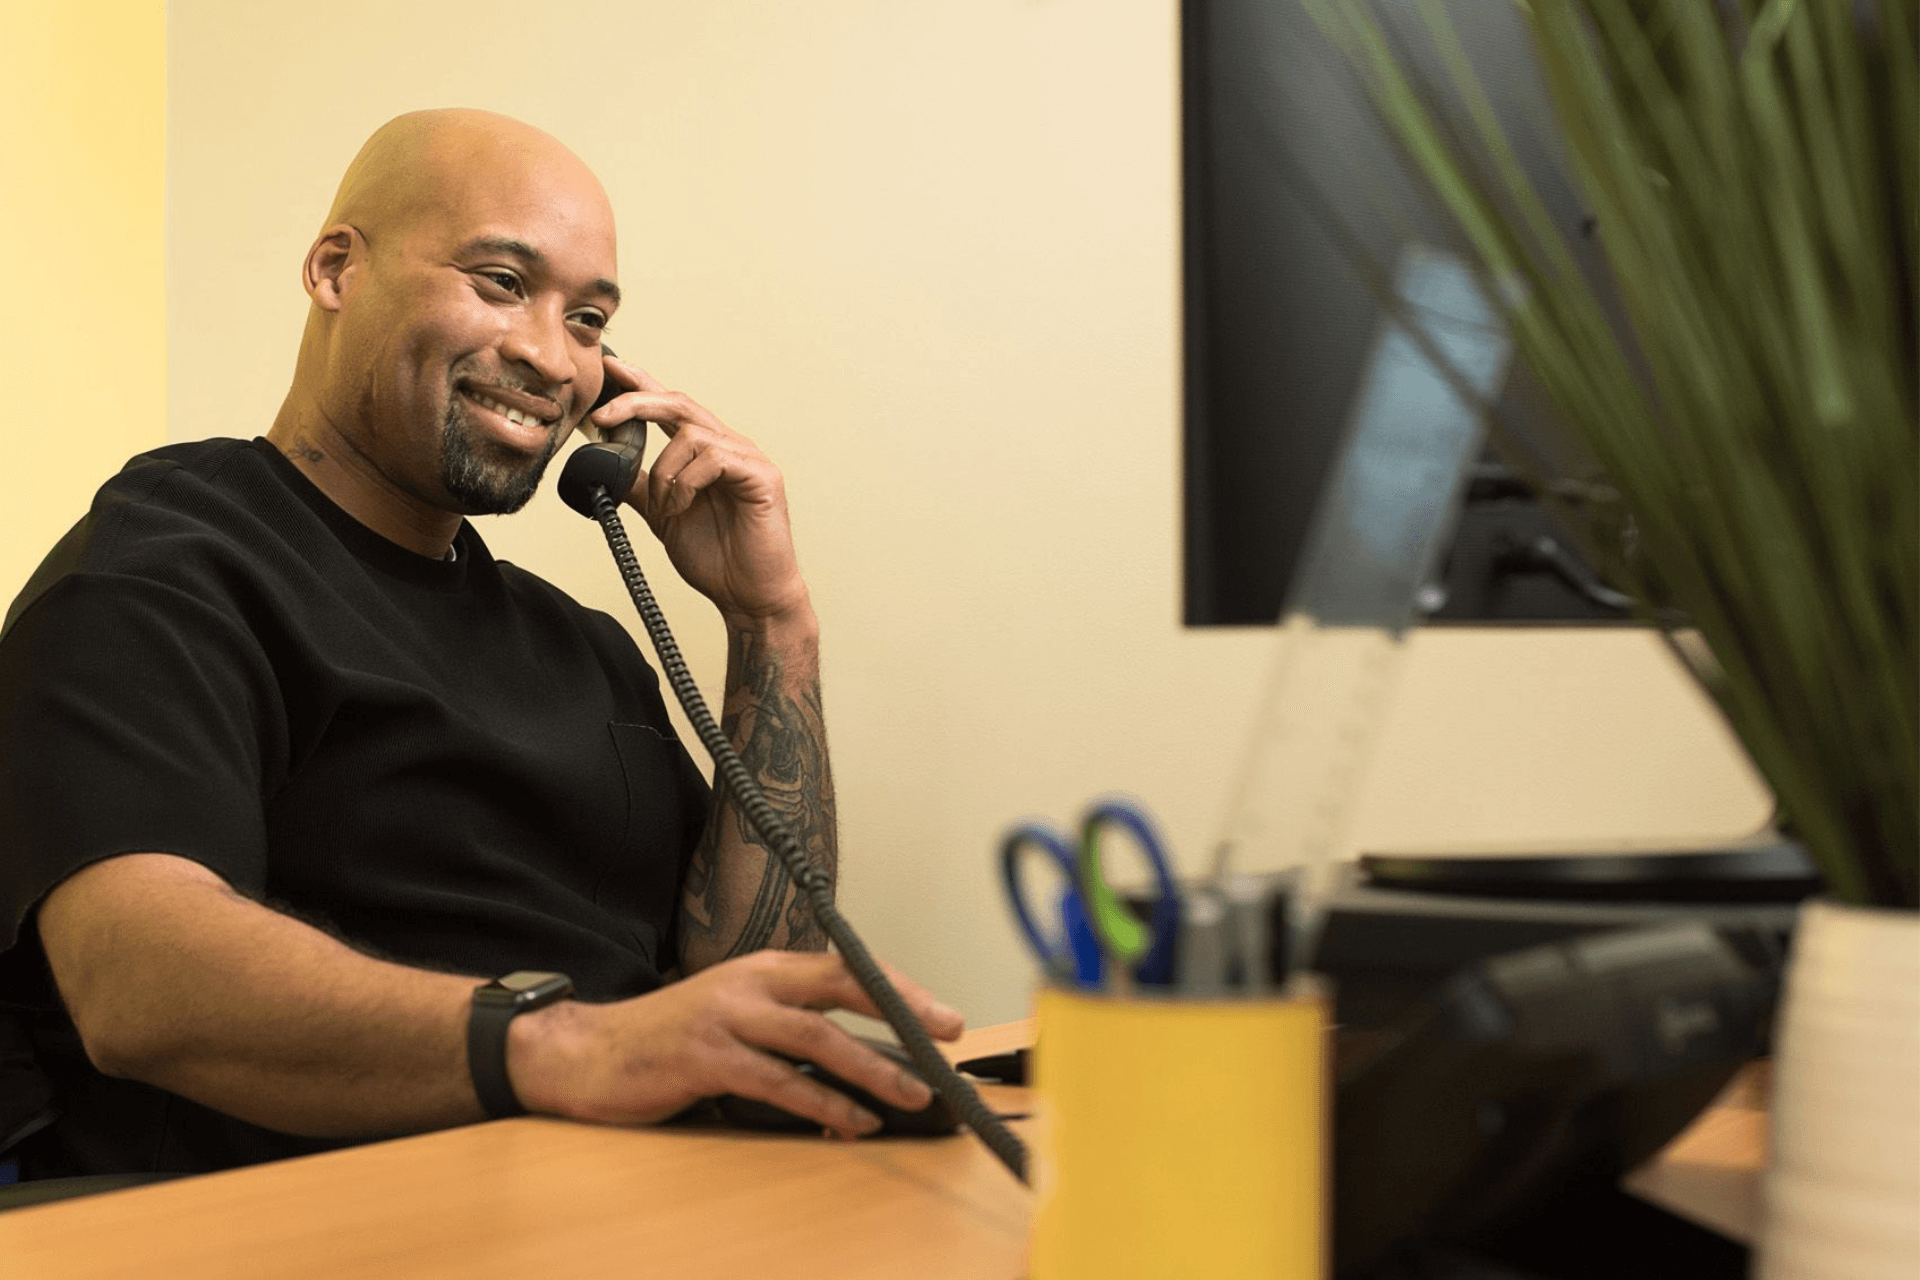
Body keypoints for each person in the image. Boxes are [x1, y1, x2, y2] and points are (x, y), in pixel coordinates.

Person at [0, 108, 958, 1179]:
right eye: (502, 282)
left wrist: (770, 621)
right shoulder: (169, 560)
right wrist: (565, 1044)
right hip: (330, 1225)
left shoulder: (583, 645)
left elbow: (757, 979)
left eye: (589, 319)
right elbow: (139, 983)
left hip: (640, 1201)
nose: (553, 357)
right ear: (333, 270)